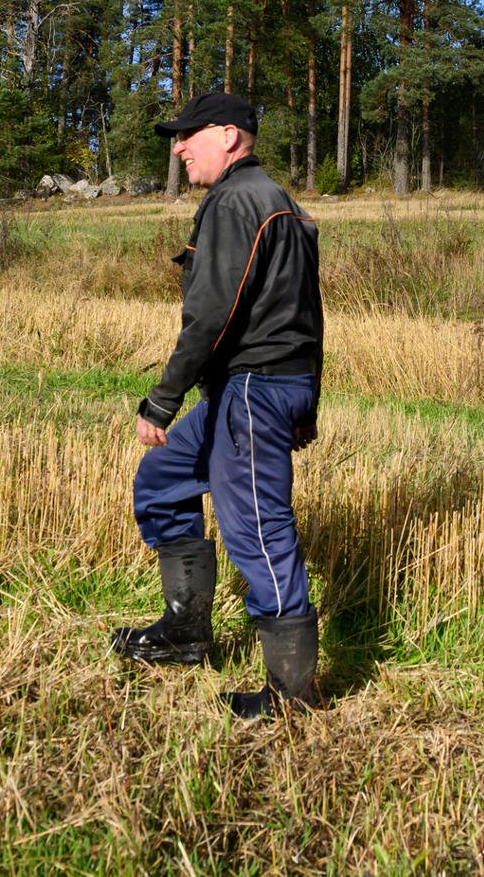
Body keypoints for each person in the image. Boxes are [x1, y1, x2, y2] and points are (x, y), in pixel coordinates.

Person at [109, 91, 324, 719]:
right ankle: (185, 632)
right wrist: (306, 401)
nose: (178, 148)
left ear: (229, 135)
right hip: (258, 387)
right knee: (164, 478)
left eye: (187, 135)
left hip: (254, 389)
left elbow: (210, 315)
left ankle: (293, 696)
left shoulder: (234, 202)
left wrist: (162, 400)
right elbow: (307, 314)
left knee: (256, 530)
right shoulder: (285, 205)